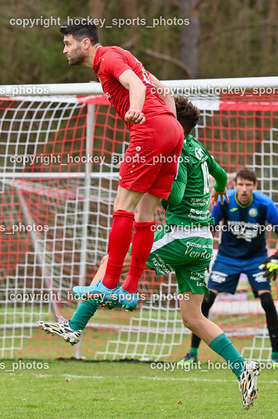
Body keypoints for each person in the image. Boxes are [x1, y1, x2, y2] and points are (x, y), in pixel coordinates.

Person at [38, 96, 261, 409]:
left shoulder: (178, 149)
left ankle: (75, 326)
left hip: (180, 237)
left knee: (110, 260)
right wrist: (216, 194)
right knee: (193, 317)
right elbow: (223, 177)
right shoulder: (198, 146)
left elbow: (177, 190)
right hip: (201, 244)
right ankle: (242, 367)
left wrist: (148, 185)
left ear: (172, 120)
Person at [59, 19, 184, 307]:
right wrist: (173, 133)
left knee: (123, 208)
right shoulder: (121, 54)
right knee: (145, 215)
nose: (64, 50)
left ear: (85, 43)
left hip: (150, 129)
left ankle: (109, 283)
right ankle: (129, 289)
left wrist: (137, 112)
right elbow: (164, 91)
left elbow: (135, 85)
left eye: (68, 43)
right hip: (171, 129)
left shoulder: (107, 59)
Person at [178, 168, 278, 367]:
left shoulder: (265, 203)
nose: (244, 189)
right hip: (227, 258)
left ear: (255, 186)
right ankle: (192, 353)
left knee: (267, 302)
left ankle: (276, 357)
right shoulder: (225, 200)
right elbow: (210, 228)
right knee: (206, 301)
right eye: (240, 184)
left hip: (256, 259)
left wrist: (276, 257)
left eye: (248, 185)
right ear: (234, 185)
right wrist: (200, 254)